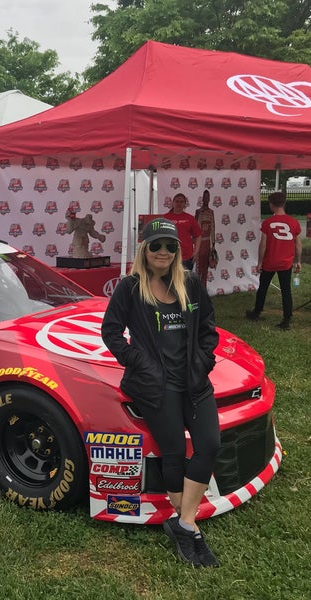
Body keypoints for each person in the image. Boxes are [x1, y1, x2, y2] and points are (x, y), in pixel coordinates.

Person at [101, 217, 221, 568]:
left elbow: (209, 331)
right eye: (157, 246)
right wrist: (140, 363)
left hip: (194, 383)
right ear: (145, 249)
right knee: (172, 452)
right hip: (155, 386)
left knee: (209, 444)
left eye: (171, 247)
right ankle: (188, 527)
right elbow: (111, 332)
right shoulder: (129, 288)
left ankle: (184, 524)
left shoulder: (192, 284)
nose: (164, 252)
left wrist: (202, 363)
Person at [245, 191, 302, 330]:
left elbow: (263, 244)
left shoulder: (268, 223)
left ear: (272, 205)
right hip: (286, 262)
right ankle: (287, 319)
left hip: (270, 261)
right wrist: (298, 261)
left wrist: (259, 262)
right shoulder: (294, 222)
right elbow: (298, 244)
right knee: (286, 290)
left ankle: (256, 312)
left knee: (263, 287)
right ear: (284, 203)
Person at [164, 193, 202, 270]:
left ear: (185, 204)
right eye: (177, 201)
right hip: (168, 256)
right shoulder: (165, 218)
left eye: (181, 202)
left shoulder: (190, 218)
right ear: (173, 203)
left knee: (185, 281)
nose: (179, 203)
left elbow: (198, 235)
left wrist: (196, 251)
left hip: (186, 257)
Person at [195, 190, 216, 288]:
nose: (206, 199)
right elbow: (194, 229)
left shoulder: (211, 212)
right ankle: (198, 288)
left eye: (208, 197)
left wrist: (213, 244)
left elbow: (213, 228)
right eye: (205, 197)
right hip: (200, 243)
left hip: (207, 243)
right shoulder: (198, 212)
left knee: (206, 267)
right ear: (202, 198)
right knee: (199, 267)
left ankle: (204, 288)